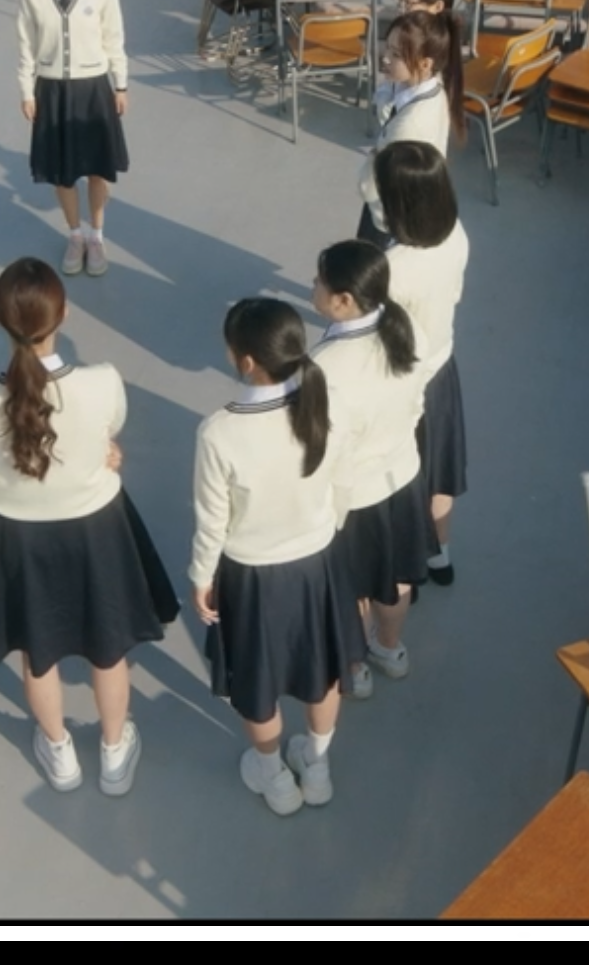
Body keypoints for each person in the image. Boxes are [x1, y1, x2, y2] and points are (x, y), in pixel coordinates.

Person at [0, 258, 175, 797]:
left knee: (38, 653)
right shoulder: (102, 382)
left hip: (19, 538)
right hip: (96, 531)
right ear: (65, 314)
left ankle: (58, 751)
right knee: (108, 648)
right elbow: (107, 428)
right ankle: (114, 749)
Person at [191, 298, 359, 816]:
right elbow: (343, 485)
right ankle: (318, 767)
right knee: (323, 672)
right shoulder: (327, 409)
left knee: (257, 682)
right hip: (318, 565)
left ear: (245, 361)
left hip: (251, 577)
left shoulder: (219, 431)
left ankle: (274, 778)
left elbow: (212, 520)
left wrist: (201, 578)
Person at [308, 240, 430, 697]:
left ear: (344, 300)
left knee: (353, 588)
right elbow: (418, 401)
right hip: (402, 477)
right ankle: (391, 649)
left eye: (320, 280)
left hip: (354, 498)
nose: (313, 285)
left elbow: (325, 450)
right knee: (395, 578)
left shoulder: (325, 366)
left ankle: (355, 666)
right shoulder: (406, 326)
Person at [366, 142, 470, 589]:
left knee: (401, 481)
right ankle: (441, 556)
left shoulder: (391, 268)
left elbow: (376, 339)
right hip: (442, 370)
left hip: (402, 386)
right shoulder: (456, 235)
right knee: (440, 472)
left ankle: (406, 566)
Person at [17, 0, 131, 279]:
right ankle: (75, 235)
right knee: (63, 174)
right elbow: (26, 42)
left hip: (93, 87)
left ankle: (96, 236)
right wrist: (27, 90)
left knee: (97, 170)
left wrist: (121, 83)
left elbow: (114, 36)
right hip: (51, 90)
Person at [356, 10, 462, 247]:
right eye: (387, 47)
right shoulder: (431, 85)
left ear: (425, 64)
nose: (385, 58)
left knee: (372, 266)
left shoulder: (408, 127)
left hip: (389, 216)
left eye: (396, 54)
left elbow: (370, 187)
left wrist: (373, 157)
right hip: (412, 204)